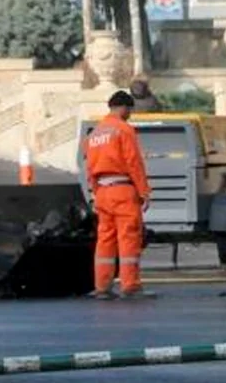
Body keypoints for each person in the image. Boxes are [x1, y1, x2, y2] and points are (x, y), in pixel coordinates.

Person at [84, 90, 154, 299]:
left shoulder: (95, 133)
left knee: (105, 239)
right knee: (129, 237)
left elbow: (90, 167)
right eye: (130, 110)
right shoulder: (123, 129)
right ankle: (130, 286)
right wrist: (144, 191)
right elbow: (133, 162)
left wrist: (96, 192)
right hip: (123, 190)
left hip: (103, 192)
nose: (130, 114)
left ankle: (102, 287)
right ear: (124, 107)